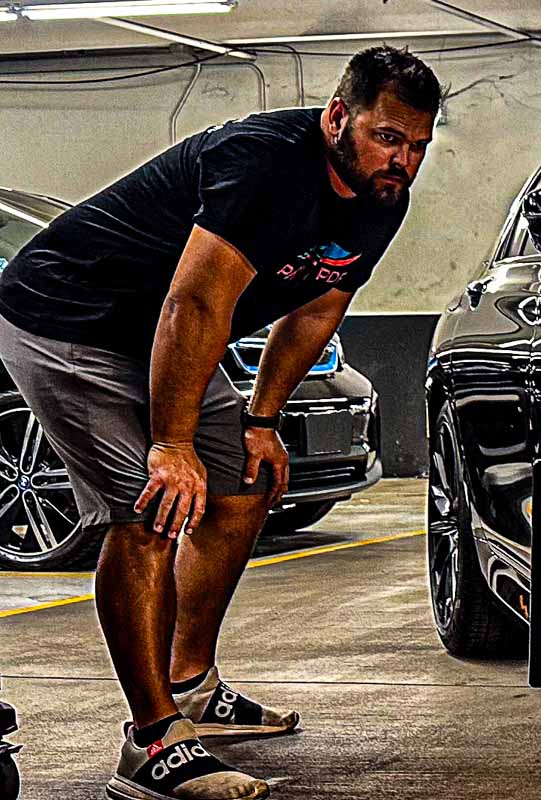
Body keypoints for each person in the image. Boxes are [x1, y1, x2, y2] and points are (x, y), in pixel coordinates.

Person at [0, 45, 440, 800]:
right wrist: (170, 445)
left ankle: (191, 683)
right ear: (339, 115)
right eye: (388, 138)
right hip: (68, 320)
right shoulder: (266, 163)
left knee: (244, 484)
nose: (402, 160)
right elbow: (195, 303)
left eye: (419, 147)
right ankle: (151, 742)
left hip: (158, 337)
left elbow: (319, 305)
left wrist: (263, 418)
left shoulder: (380, 200)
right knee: (150, 511)